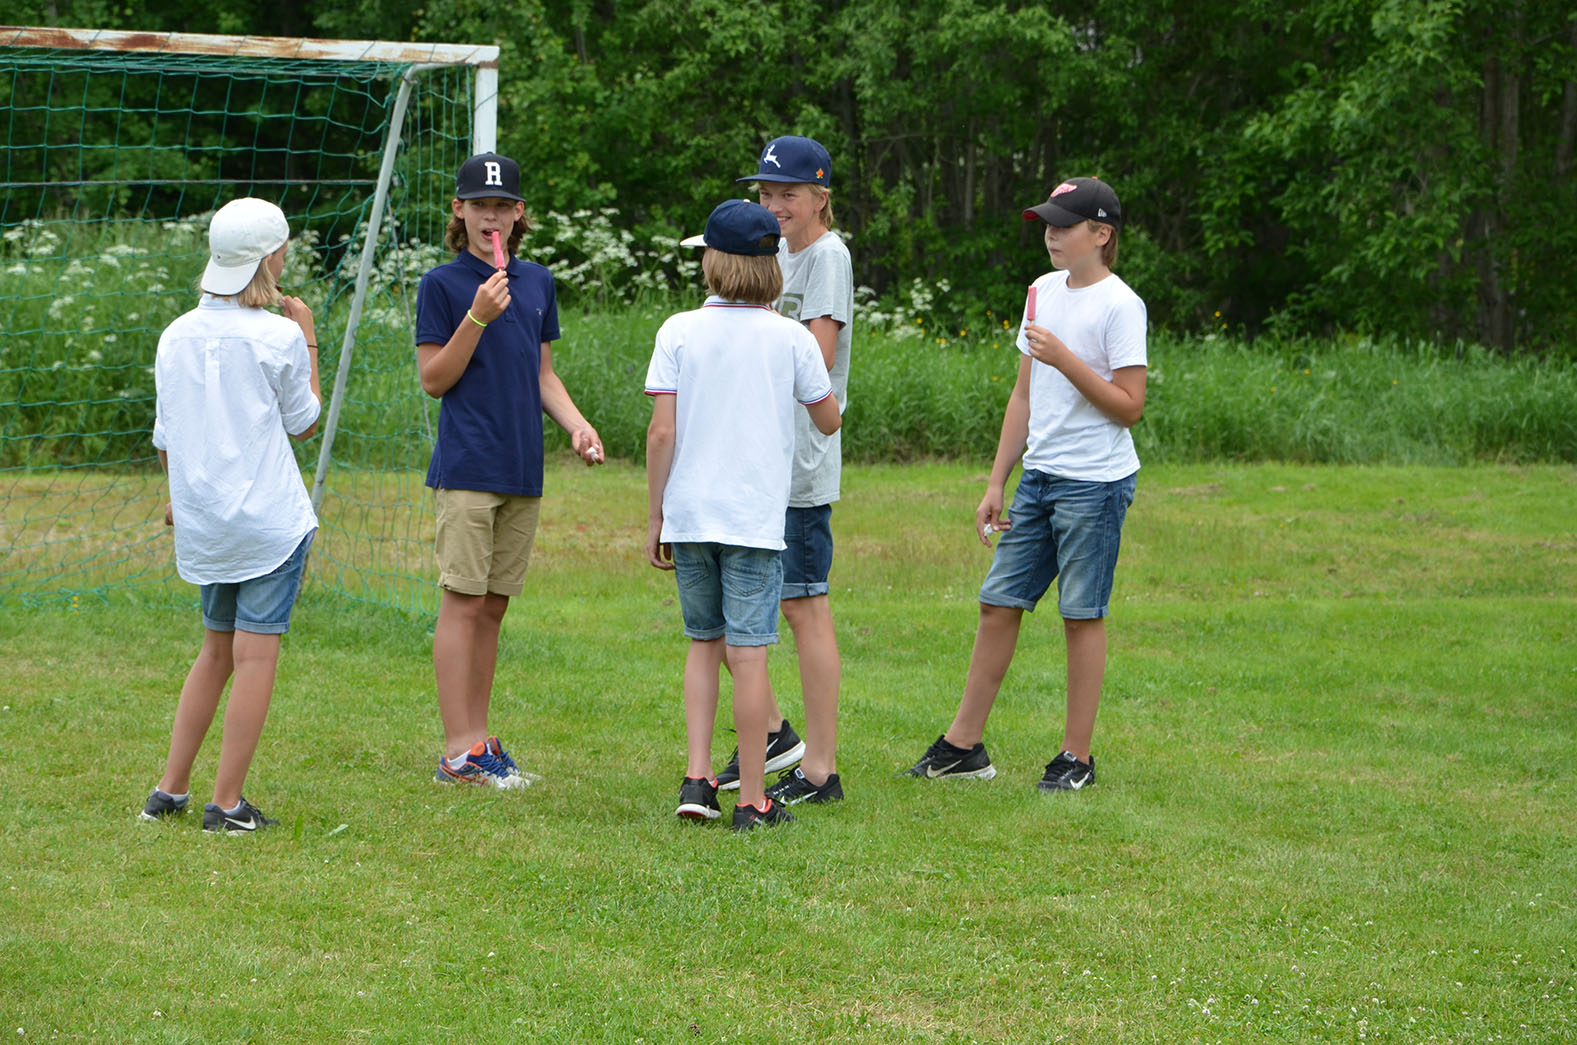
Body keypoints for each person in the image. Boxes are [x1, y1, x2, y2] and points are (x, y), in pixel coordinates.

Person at [907, 177, 1146, 792]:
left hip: (1094, 483)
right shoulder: (1040, 292)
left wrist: (1066, 357)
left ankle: (1077, 758)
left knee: (1080, 615)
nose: (1052, 234)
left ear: (1102, 234)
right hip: (1039, 477)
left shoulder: (1122, 305)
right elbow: (1024, 394)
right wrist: (997, 480)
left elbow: (1129, 406)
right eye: (1047, 223)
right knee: (997, 602)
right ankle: (963, 747)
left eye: (1065, 224)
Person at [645, 199, 842, 831]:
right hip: (756, 522)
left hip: (690, 515)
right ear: (772, 268)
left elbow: (660, 434)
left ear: (711, 262)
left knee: (704, 646)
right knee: (750, 654)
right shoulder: (790, 338)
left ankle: (698, 779)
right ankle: (753, 799)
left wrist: (657, 516)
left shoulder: (677, 330)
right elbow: (827, 418)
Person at [415, 152, 603, 789]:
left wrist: (575, 424)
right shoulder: (442, 285)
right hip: (469, 467)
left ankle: (479, 740)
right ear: (459, 210)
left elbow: (543, 376)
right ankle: (456, 750)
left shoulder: (538, 281)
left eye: (502, 206)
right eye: (479, 205)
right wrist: (476, 317)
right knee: (461, 605)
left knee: (493, 609)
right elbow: (434, 380)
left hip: (522, 469)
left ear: (519, 213)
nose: (490, 216)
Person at [140, 197, 321, 833]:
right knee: (255, 656)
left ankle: (169, 790)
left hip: (207, 521)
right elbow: (304, 423)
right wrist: (308, 335)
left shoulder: (174, 334)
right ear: (271, 257)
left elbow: (168, 436)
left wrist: (178, 501)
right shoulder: (278, 334)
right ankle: (227, 803)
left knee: (215, 650)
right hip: (270, 523)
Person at [711, 135, 854, 808]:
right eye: (765, 195)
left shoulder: (825, 257)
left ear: (820, 197)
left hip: (797, 465)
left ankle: (820, 769)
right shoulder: (771, 253)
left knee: (802, 605)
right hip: (752, 463)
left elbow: (813, 362)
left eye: (787, 195)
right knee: (724, 609)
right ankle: (772, 733)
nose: (773, 206)